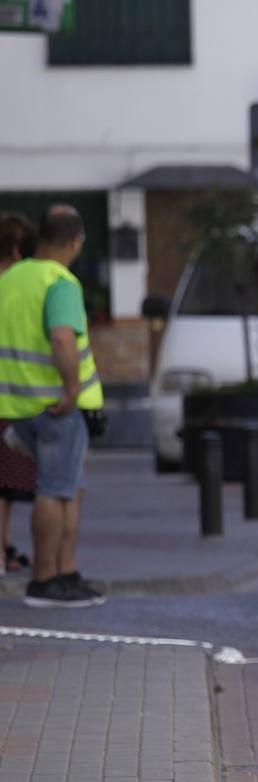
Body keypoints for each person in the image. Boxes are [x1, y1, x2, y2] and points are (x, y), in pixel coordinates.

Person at [0, 205, 106, 608]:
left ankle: (65, 573)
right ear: (76, 241)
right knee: (58, 490)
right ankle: (47, 579)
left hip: (18, 404)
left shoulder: (12, 278)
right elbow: (62, 339)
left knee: (66, 486)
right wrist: (72, 387)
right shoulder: (59, 282)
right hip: (56, 405)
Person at [0, 212, 38, 575]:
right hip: (10, 398)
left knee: (6, 484)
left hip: (9, 397)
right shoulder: (15, 286)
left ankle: (5, 544)